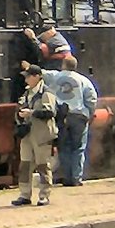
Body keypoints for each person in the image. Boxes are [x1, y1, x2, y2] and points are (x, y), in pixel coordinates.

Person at [37, 56, 98, 186]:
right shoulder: (84, 80)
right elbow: (91, 98)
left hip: (61, 116)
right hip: (78, 117)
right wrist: (88, 113)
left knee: (63, 147)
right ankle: (76, 178)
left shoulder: (55, 76)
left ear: (63, 65)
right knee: (78, 148)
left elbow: (40, 73)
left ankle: (66, 177)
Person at [12, 65, 58, 206]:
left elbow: (50, 112)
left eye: (28, 76)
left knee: (43, 165)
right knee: (25, 165)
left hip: (42, 135)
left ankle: (44, 195)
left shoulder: (46, 93)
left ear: (37, 76)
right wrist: (19, 116)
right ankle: (24, 194)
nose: (26, 80)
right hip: (27, 135)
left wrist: (31, 113)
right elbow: (19, 108)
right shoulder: (26, 94)